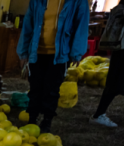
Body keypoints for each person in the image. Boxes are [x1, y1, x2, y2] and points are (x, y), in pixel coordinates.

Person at [17, 0, 90, 133]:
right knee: (35, 87)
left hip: (59, 55)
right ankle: (32, 119)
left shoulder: (77, 2)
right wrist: (23, 53)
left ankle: (46, 121)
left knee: (51, 89)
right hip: (36, 52)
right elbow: (28, 24)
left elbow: (81, 26)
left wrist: (77, 52)